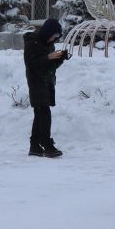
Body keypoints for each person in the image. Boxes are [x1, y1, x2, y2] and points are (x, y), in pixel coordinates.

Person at [24, 18, 70, 158]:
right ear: (47, 32)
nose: (53, 39)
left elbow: (50, 66)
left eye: (56, 37)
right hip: (36, 81)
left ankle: (35, 146)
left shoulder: (50, 45)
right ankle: (46, 144)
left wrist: (59, 59)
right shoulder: (33, 42)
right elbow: (31, 63)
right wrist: (49, 57)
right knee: (44, 113)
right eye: (53, 35)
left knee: (40, 114)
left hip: (47, 82)